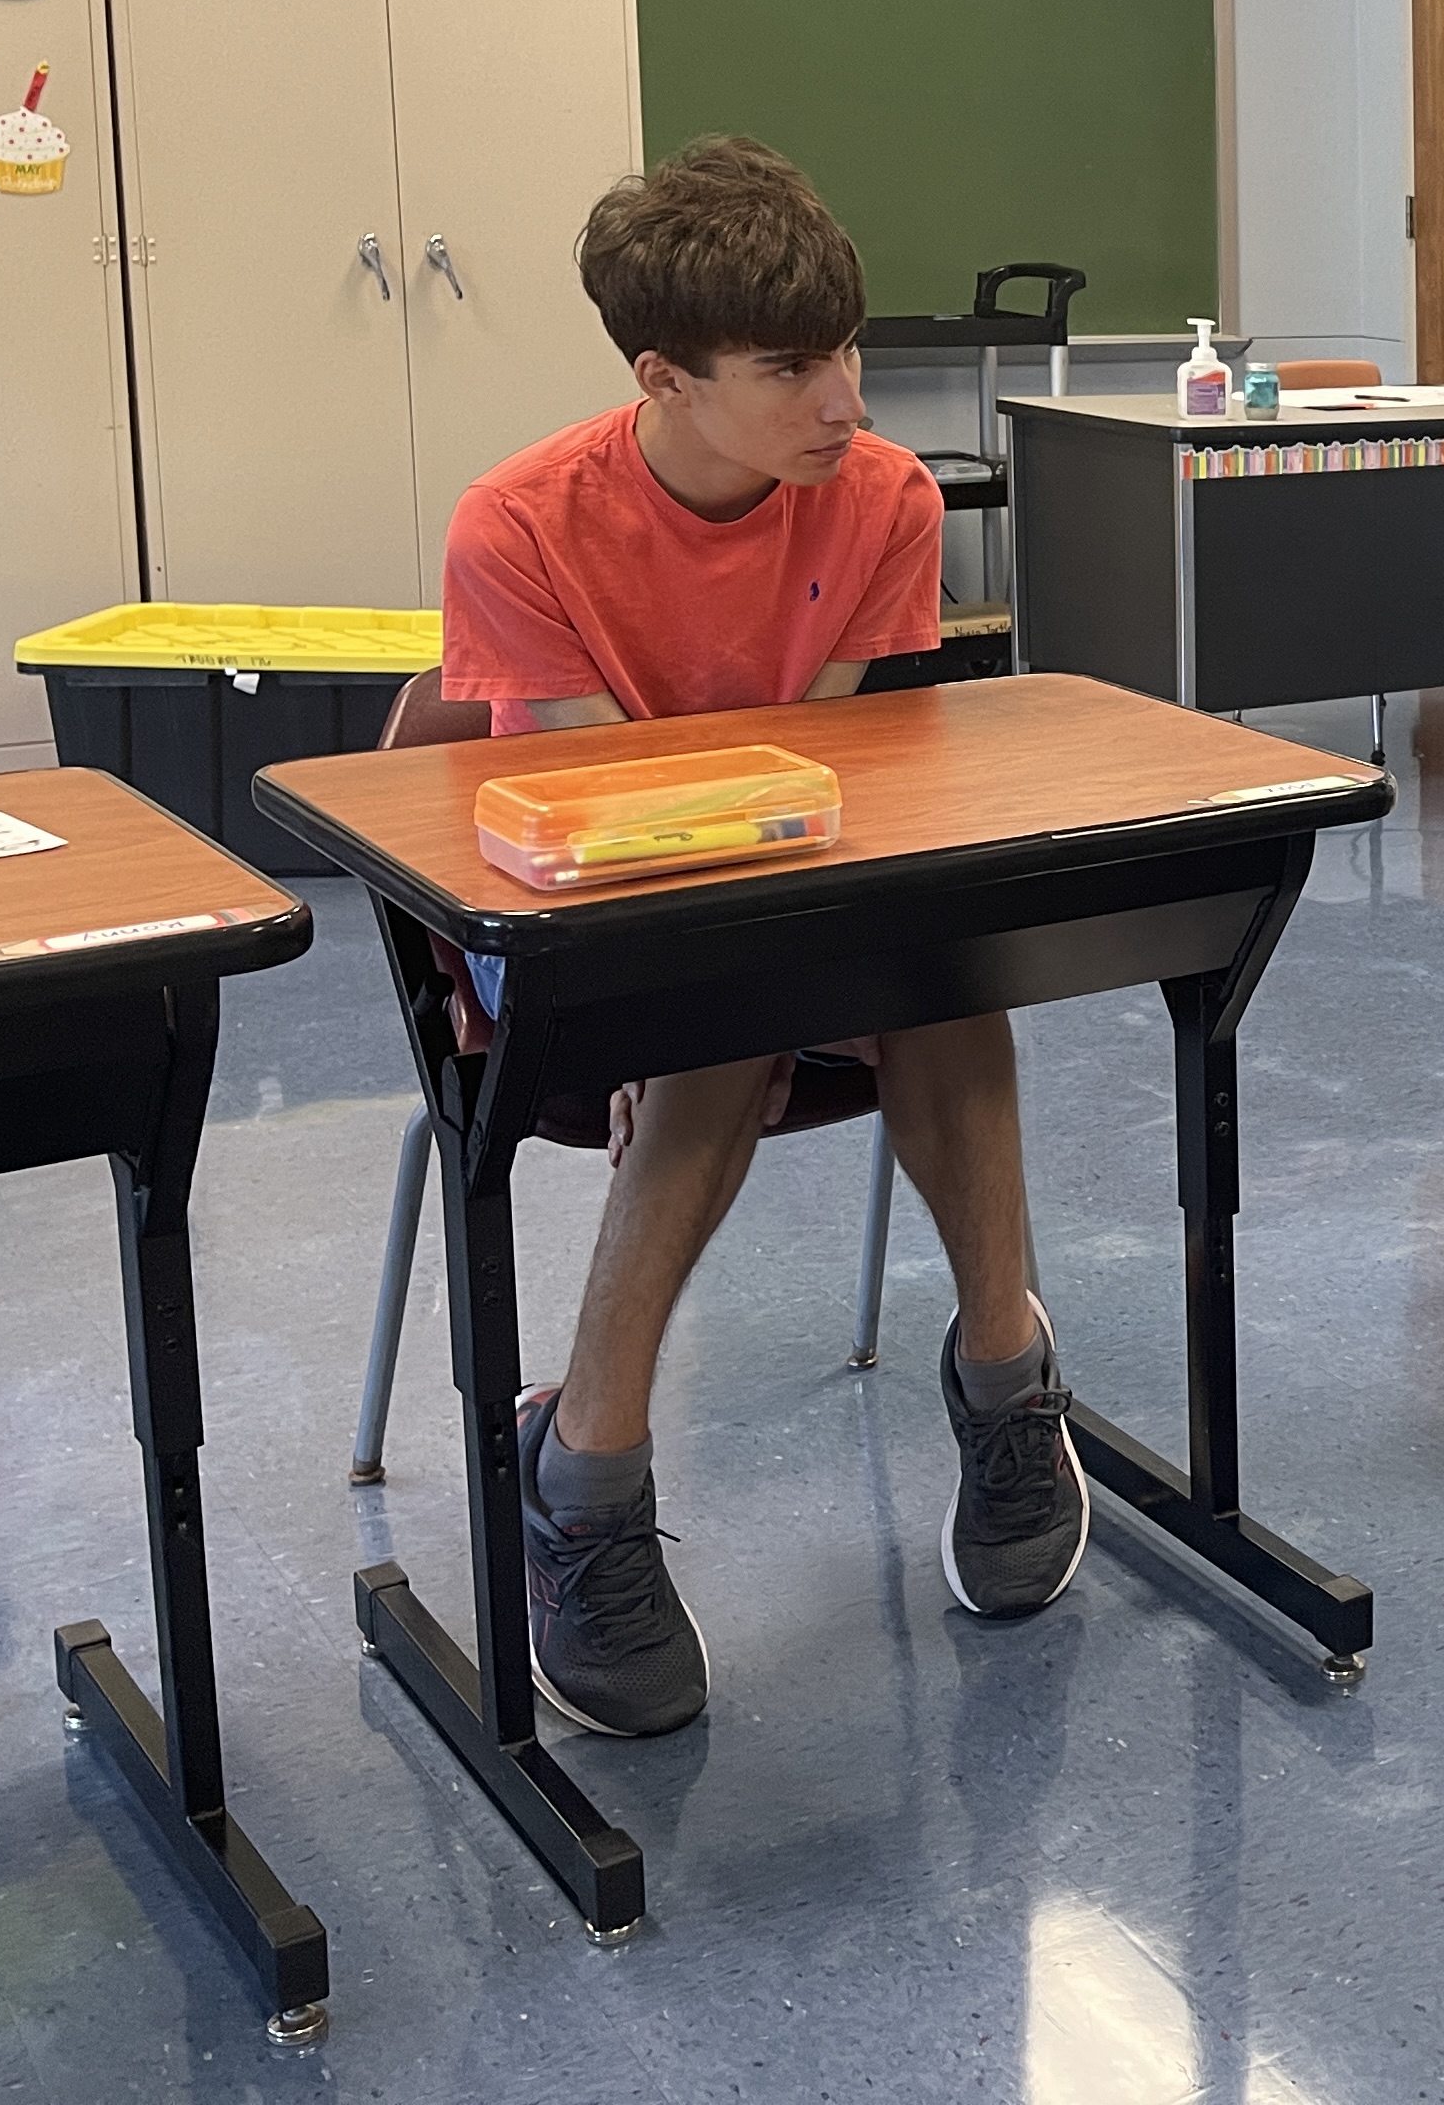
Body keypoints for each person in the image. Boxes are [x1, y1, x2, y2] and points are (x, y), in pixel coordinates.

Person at [439, 136, 1090, 1738]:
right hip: (571, 932)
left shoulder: (881, 500)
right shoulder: (518, 526)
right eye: (794, 368)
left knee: (952, 974)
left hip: (787, 890)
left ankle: (1008, 1385)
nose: (849, 402)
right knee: (732, 1012)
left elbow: (820, 780)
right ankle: (585, 1474)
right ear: (660, 376)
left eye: (850, 350)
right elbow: (623, 819)